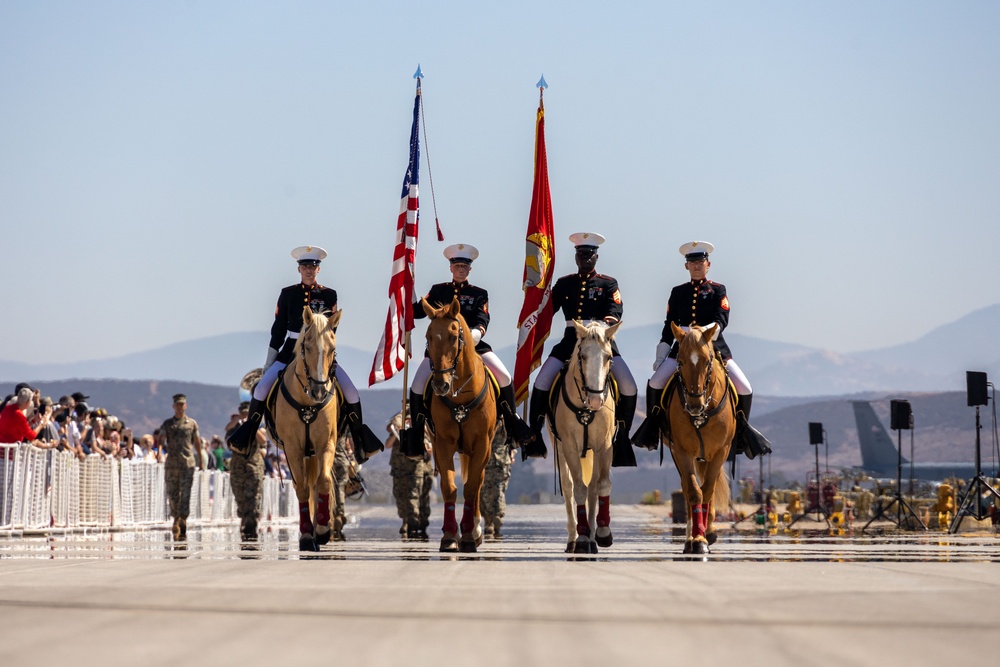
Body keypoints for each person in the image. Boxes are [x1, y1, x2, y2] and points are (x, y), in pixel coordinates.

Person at [227, 245, 383, 463]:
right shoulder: (288, 294)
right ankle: (248, 435)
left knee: (352, 393)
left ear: (318, 270)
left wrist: (324, 354)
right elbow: (278, 329)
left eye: (313, 266)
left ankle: (359, 440)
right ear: (299, 269)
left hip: (319, 354)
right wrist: (269, 362)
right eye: (305, 266)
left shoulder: (329, 295)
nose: (309, 270)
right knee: (261, 388)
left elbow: (331, 330)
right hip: (289, 351)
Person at [631, 241, 771, 459]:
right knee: (655, 382)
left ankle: (741, 431)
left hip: (713, 347)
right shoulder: (678, 292)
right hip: (682, 350)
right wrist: (661, 355)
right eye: (692, 262)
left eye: (700, 262)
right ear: (686, 266)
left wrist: (700, 334)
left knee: (745, 387)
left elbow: (721, 320)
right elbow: (669, 326)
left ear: (708, 264)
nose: (697, 266)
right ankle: (653, 426)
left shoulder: (717, 290)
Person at [405, 243, 534, 452]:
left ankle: (513, 424)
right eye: (457, 265)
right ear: (451, 268)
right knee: (417, 386)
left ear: (470, 269)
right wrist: (405, 295)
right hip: (441, 352)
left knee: (504, 378)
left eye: (464, 266)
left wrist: (477, 332)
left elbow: (483, 318)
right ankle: (417, 434)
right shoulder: (439, 291)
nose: (460, 269)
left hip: (474, 347)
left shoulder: (479, 294)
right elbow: (419, 311)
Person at [525, 232, 638, 465]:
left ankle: (623, 437)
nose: (584, 259)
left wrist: (600, 328)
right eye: (581, 255)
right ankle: (534, 436)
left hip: (601, 342)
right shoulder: (565, 283)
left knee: (628, 385)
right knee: (541, 382)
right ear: (576, 257)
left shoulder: (608, 283)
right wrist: (534, 292)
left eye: (589, 255)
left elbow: (615, 312)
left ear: (596, 257)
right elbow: (547, 309)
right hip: (570, 342)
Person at [157, 393, 201, 540]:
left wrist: (201, 458)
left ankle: (183, 518)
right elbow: (162, 440)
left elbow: (197, 442)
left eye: (182, 404)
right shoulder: (168, 424)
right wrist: (159, 453)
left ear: (185, 406)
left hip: (187, 463)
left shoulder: (192, 423)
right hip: (172, 464)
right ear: (173, 406)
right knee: (173, 493)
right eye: (177, 404)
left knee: (186, 494)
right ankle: (176, 517)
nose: (180, 407)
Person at [386, 410, 434, 539]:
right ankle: (406, 521)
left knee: (415, 496)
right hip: (399, 470)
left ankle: (414, 523)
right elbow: (387, 445)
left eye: (410, 420)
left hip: (416, 469)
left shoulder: (421, 434)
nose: (408, 422)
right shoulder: (398, 433)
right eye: (406, 420)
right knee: (400, 496)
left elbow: (430, 450)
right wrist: (397, 433)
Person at [226, 403, 265, 541]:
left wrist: (252, 425)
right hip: (238, 469)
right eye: (243, 414)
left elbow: (263, 440)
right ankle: (245, 521)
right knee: (241, 499)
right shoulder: (233, 429)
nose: (245, 416)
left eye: (247, 413)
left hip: (254, 468)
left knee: (254, 499)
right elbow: (228, 440)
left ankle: (251, 525)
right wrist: (238, 423)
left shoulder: (258, 428)